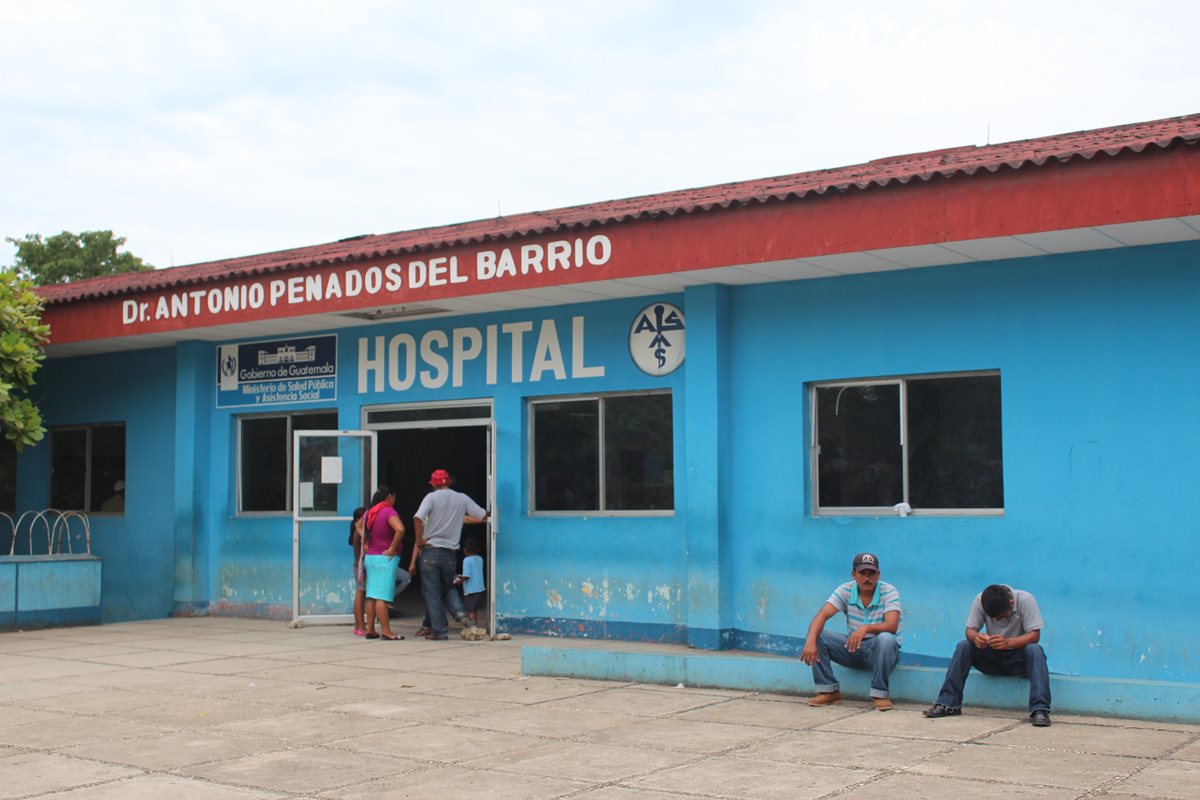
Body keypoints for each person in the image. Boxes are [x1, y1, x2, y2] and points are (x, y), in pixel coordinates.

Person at [923, 584, 1051, 726]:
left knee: (1035, 650)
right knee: (964, 646)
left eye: (1001, 616)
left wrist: (1009, 643)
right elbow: (970, 630)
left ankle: (1040, 709)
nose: (997, 621)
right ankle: (947, 704)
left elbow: (1035, 635)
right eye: (993, 618)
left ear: (1011, 603)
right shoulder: (980, 600)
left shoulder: (1026, 600)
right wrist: (976, 638)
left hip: (1019, 660)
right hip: (992, 659)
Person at [800, 552, 901, 711]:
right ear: (853, 574)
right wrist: (810, 641)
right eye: (862, 573)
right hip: (854, 648)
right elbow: (822, 615)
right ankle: (829, 691)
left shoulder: (889, 591)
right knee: (817, 633)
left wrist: (866, 628)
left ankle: (879, 694)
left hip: (881, 651)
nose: (867, 578)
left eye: (871, 573)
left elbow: (892, 625)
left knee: (886, 639)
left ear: (878, 574)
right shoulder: (845, 590)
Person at [411, 469, 488, 641]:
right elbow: (483, 514)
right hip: (451, 554)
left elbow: (417, 518)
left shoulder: (430, 498)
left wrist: (419, 541)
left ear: (433, 484)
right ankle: (460, 614)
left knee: (432, 592)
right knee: (448, 587)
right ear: (449, 482)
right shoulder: (462, 498)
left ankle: (439, 631)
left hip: (431, 551)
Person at [362, 485, 406, 640]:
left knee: (372, 596)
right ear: (389, 496)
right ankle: (386, 631)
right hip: (384, 559)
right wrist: (393, 548)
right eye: (394, 497)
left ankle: (370, 630)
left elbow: (359, 526)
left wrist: (366, 542)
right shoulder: (388, 511)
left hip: (370, 558)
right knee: (382, 596)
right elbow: (400, 529)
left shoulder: (370, 511)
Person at [455, 537, 486, 626]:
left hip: (471, 590)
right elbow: (474, 572)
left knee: (469, 609)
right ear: (477, 549)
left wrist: (459, 581)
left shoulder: (467, 560)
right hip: (480, 588)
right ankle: (476, 624)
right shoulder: (480, 559)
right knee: (474, 608)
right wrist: (462, 577)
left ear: (464, 550)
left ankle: (472, 626)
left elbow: (467, 576)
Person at [349, 506, 367, 636]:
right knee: (360, 596)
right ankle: (361, 626)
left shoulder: (356, 531)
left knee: (359, 595)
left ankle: (358, 625)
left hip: (358, 566)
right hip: (361, 567)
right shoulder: (359, 532)